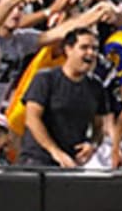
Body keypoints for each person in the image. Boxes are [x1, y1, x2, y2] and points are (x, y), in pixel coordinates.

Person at [18, 28, 112, 168]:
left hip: (72, 164)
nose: (91, 53)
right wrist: (55, 152)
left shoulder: (96, 86)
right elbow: (32, 119)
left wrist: (92, 145)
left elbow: (99, 126)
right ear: (68, 49)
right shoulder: (45, 79)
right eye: (84, 47)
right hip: (37, 161)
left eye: (94, 48)